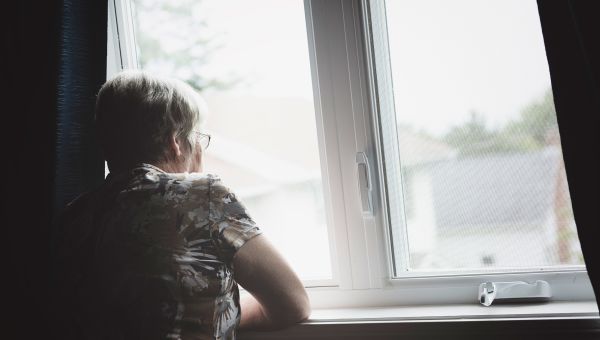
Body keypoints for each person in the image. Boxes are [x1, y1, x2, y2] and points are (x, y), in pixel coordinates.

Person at [50, 71, 310, 339]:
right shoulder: (204, 197)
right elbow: (293, 303)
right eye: (198, 137)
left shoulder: (73, 216)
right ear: (176, 141)